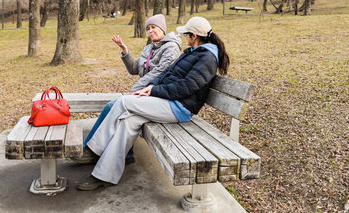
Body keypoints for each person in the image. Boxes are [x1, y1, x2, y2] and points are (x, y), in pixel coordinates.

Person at [77, 16, 230, 190]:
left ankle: (94, 149)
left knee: (123, 102)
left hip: (179, 108)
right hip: (167, 101)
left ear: (194, 36)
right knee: (128, 121)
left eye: (186, 34)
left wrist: (153, 90)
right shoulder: (192, 53)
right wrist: (151, 87)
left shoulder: (207, 58)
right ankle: (104, 174)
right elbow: (165, 75)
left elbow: (188, 87)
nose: (185, 37)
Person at [71, 14, 182, 164]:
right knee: (116, 108)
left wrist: (135, 90)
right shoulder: (149, 48)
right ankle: (124, 154)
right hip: (144, 91)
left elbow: (159, 73)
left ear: (162, 28)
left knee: (113, 106)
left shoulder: (171, 47)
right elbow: (134, 69)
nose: (150, 31)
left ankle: (90, 150)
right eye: (148, 28)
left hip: (158, 94)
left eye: (153, 27)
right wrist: (125, 51)